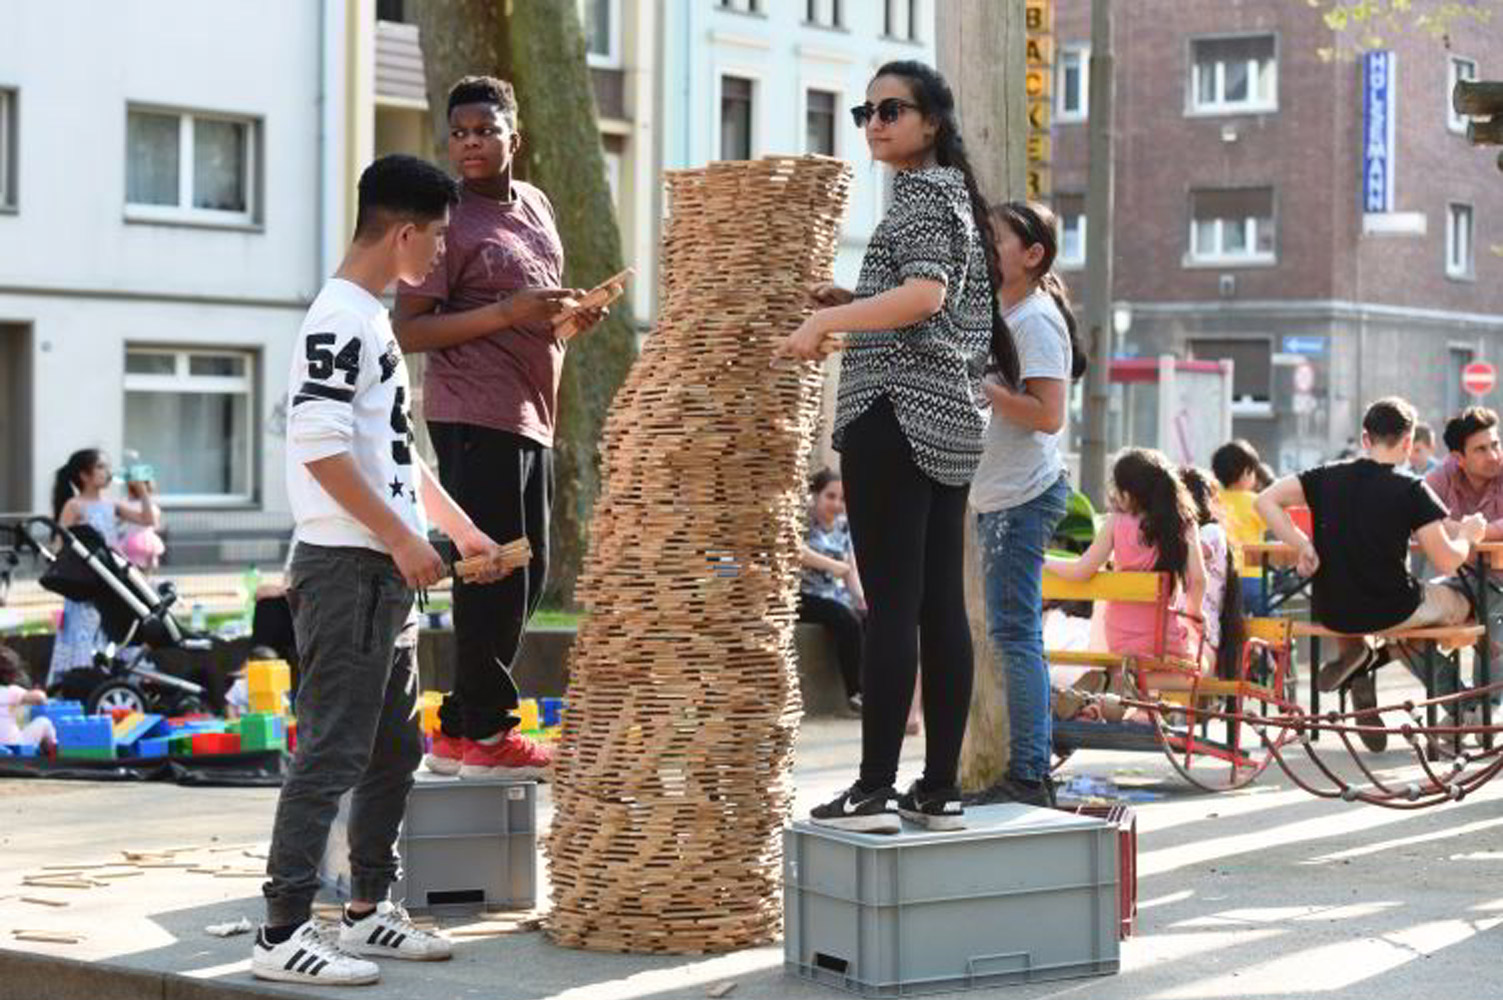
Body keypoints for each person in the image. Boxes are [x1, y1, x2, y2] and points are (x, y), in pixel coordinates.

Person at [254, 154, 512, 986]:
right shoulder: (339, 319)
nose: (439, 254)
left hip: (382, 574)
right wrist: (402, 544)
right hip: (346, 568)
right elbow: (321, 449)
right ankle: (282, 932)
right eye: (435, 238)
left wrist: (458, 530)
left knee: (394, 749)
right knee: (330, 752)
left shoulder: (372, 321)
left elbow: (393, 453)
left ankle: (367, 911)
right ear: (402, 232)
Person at [774, 60, 995, 833]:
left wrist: (822, 324)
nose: (874, 122)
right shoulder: (955, 197)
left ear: (930, 122)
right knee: (937, 608)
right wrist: (854, 303)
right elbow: (926, 306)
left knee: (892, 606)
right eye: (865, 111)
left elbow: (925, 295)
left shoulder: (922, 197)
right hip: (948, 422)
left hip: (894, 418)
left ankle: (872, 789)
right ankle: (938, 790)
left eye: (891, 110)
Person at [394, 75, 606, 781]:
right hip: (469, 410)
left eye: (485, 130)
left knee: (530, 569)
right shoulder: (445, 219)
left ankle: (461, 730)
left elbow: (535, 313)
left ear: (514, 135)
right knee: (492, 571)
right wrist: (504, 316)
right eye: (459, 133)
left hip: (530, 412)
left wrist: (568, 320)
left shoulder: (536, 205)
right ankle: (484, 732)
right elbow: (409, 328)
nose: (471, 144)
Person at [1255, 397, 1485, 753]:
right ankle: (1461, 707)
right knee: (1462, 601)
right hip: (1393, 608)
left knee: (1385, 611)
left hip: (1333, 610)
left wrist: (1302, 545)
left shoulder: (1324, 478)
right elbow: (1447, 561)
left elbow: (1264, 500)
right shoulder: (1411, 488)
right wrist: (1468, 536)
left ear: (1365, 438)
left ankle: (1360, 662)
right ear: (1409, 443)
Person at [967, 200, 1088, 809]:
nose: (985, 247)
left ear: (1032, 255)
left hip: (1022, 498)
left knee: (1015, 635)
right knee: (1010, 634)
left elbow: (1048, 414)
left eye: (996, 239)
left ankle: (1030, 774)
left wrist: (984, 387)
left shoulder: (1035, 319)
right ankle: (1030, 767)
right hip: (998, 495)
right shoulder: (999, 310)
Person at [1046, 449, 1207, 707]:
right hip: (1162, 638)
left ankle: (1113, 689)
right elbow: (1198, 580)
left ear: (1128, 494)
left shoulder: (1115, 523)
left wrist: (1043, 558)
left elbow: (1081, 570)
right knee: (1198, 670)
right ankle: (1134, 692)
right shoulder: (1184, 523)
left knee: (1131, 668)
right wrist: (1194, 614)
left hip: (1119, 638)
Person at [46, 449, 161, 686]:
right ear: (84, 475)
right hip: (86, 581)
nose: (107, 472)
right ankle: (79, 678)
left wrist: (142, 492)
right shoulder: (75, 505)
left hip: (110, 577)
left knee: (113, 626)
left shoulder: (112, 504)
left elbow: (148, 520)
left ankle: (112, 676)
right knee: (84, 629)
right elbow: (60, 542)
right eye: (100, 467)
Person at [798, 469, 865, 713]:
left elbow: (851, 568)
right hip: (803, 596)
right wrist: (832, 565)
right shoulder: (801, 521)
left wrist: (860, 598)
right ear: (815, 495)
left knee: (867, 618)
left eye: (842, 498)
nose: (837, 504)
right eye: (830, 496)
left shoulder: (844, 526)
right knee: (845, 619)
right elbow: (798, 552)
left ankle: (876, 688)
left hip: (833, 595)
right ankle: (856, 693)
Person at [1180, 465, 1244, 679]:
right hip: (1178, 633)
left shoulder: (1210, 533)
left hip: (1201, 639)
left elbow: (1191, 559)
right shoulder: (1189, 535)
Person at [1211, 439, 1268, 616]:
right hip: (1252, 578)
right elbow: (1272, 523)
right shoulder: (1255, 501)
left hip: (1222, 578)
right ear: (1246, 473)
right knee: (1269, 617)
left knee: (1228, 619)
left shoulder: (1213, 500)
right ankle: (1273, 643)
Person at [0, 645, 56, 754]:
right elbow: (40, 698)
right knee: (44, 722)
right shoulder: (12, 691)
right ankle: (52, 754)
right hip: (13, 744)